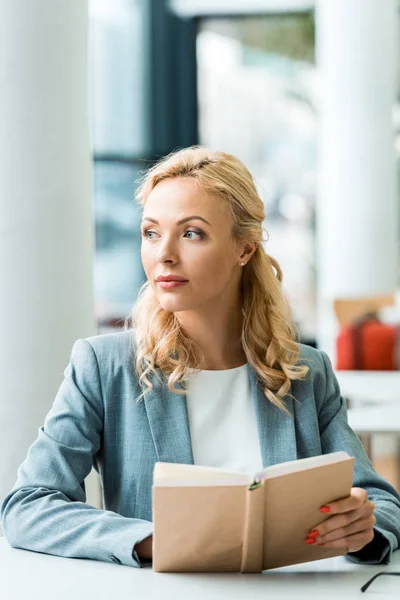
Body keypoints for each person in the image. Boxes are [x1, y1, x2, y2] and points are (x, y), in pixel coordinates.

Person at [1, 147, 400, 568]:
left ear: (244, 248)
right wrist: (151, 539)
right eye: (151, 233)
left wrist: (363, 531)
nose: (164, 254)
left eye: (191, 233)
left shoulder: (305, 372)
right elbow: (27, 505)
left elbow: (381, 503)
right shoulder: (105, 366)